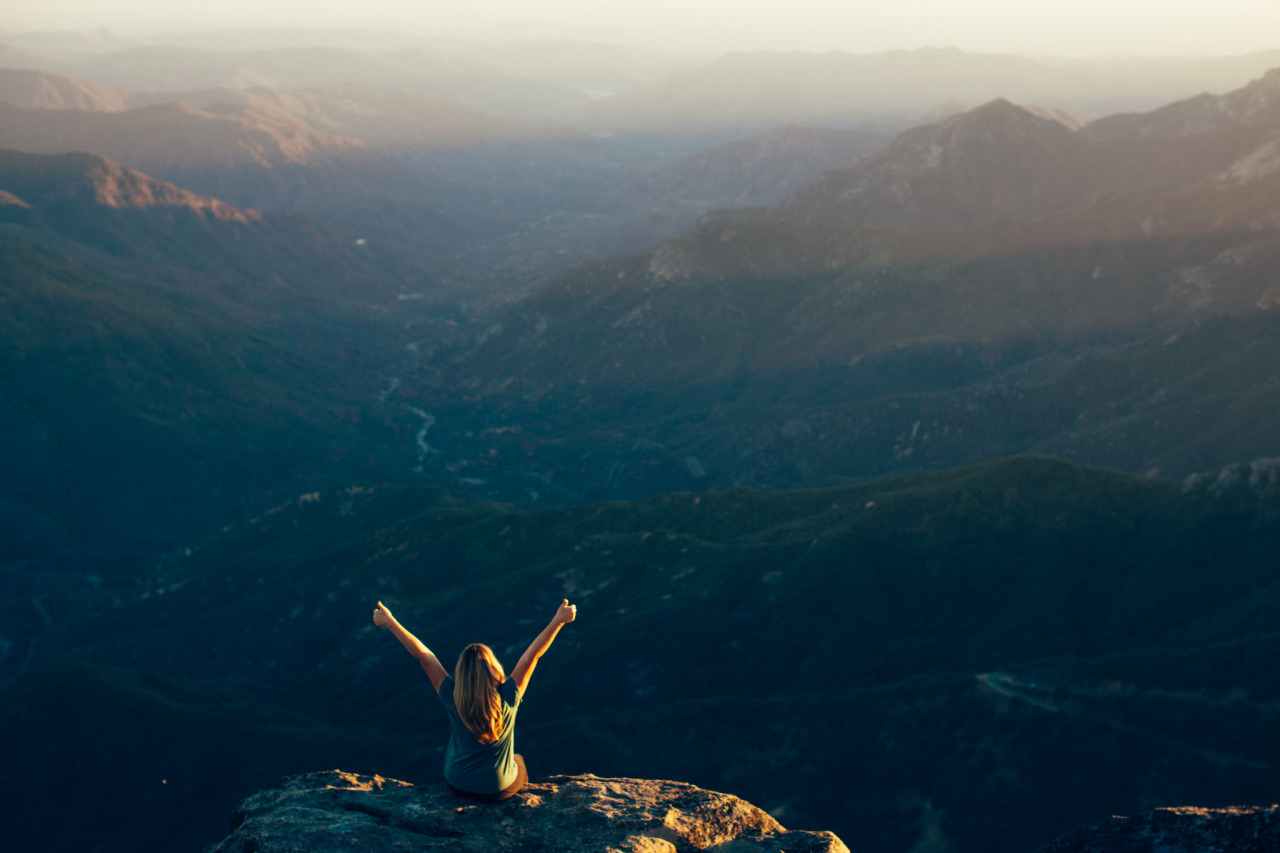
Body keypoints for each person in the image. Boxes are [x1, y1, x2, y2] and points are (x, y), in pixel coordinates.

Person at [372, 598, 577, 802]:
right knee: (518, 760)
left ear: (462, 672)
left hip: (459, 784)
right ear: (493, 669)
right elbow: (531, 657)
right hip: (499, 789)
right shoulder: (508, 697)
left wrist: (390, 622)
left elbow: (424, 656)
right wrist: (558, 621)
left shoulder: (452, 696)